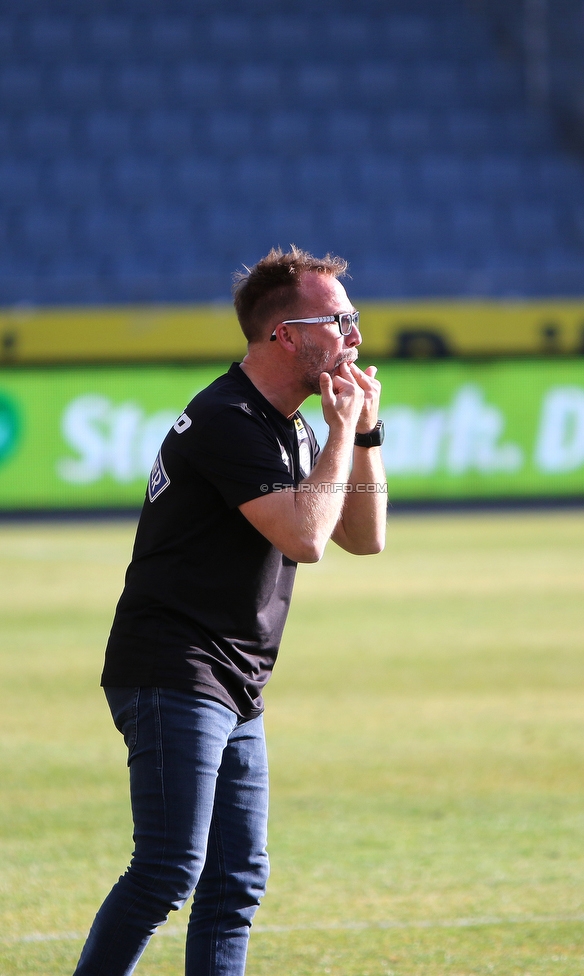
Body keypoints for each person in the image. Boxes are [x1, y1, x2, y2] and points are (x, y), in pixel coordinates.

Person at [72, 246, 387, 976]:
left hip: (233, 679)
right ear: (285, 335)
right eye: (339, 320)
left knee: (235, 883)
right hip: (174, 667)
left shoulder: (289, 424)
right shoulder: (228, 418)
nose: (355, 337)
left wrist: (362, 432)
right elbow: (306, 539)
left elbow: (363, 539)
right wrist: (341, 432)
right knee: (167, 870)